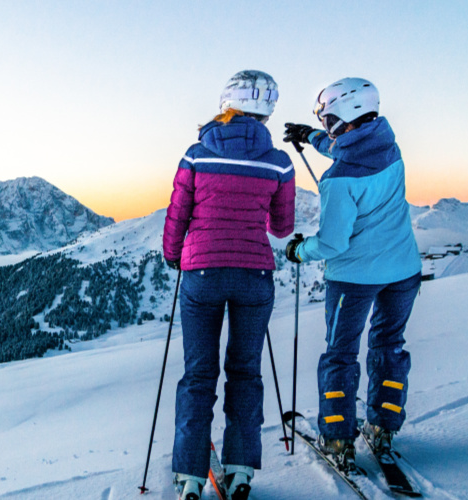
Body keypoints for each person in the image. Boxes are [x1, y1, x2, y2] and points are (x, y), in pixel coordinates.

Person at [163, 70, 295, 500]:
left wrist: (173, 255)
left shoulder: (196, 154)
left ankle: (189, 477)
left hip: (201, 274)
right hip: (255, 275)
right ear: (267, 110)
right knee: (246, 372)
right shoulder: (279, 162)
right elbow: (282, 227)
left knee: (198, 375)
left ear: (226, 103)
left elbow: (177, 215)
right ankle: (240, 470)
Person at [282, 77, 422, 467]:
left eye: (327, 119)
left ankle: (339, 438)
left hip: (354, 278)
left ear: (343, 115)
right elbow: (349, 148)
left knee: (340, 356)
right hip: (404, 271)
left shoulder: (339, 180)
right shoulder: (389, 147)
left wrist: (299, 249)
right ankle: (383, 427)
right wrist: (311, 136)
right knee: (388, 346)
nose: (326, 126)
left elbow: (332, 244)